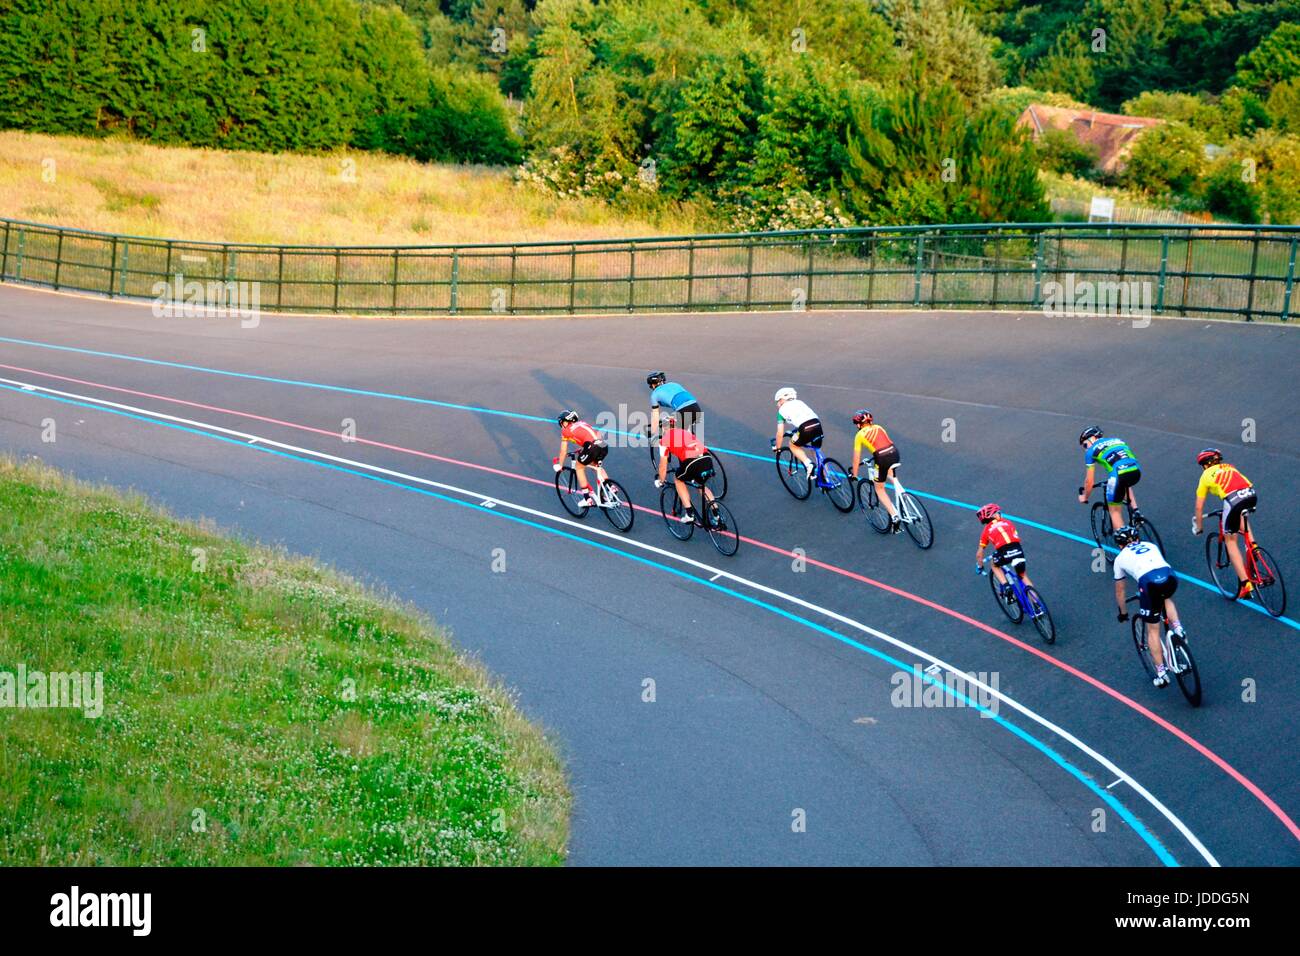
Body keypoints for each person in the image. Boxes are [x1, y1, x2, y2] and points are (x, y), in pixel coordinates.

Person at [1112, 526, 1185, 688]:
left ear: (1120, 546)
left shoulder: (1119, 559)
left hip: (1148, 582)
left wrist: (1123, 612)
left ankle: (1161, 673)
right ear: (1137, 539)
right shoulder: (1151, 546)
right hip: (1169, 576)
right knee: (1166, 598)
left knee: (1153, 630)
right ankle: (1178, 628)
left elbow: (1120, 590)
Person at [1191, 448, 1258, 598]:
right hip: (1251, 494)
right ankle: (1253, 547)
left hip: (1233, 500)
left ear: (1204, 465)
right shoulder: (1230, 466)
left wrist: (1199, 527)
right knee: (1241, 514)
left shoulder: (1205, 476)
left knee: (1230, 541)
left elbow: (1198, 507)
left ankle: (1245, 584)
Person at [1078, 426, 1144, 531]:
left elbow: (1089, 481)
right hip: (1136, 471)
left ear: (1093, 438)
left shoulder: (1091, 451)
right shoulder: (1117, 440)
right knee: (1125, 483)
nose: (1086, 449)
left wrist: (1085, 497)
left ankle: (1126, 543)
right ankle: (1136, 512)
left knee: (1114, 512)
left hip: (1118, 475)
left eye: (1085, 445)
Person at [850, 409, 901, 533]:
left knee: (879, 489)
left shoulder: (859, 435)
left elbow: (856, 459)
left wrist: (855, 475)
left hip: (881, 458)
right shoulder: (879, 427)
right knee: (891, 475)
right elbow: (887, 442)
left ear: (859, 424)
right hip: (894, 452)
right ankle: (900, 492)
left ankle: (895, 516)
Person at [655, 420, 716, 523]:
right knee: (701, 485)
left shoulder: (664, 440)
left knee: (678, 479)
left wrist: (661, 481)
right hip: (707, 458)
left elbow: (663, 467)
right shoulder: (685, 431)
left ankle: (689, 514)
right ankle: (716, 514)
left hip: (692, 462)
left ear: (664, 429)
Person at [974, 503, 1034, 598]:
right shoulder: (1008, 522)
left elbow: (979, 554)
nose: (1000, 514)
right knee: (1023, 576)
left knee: (994, 564)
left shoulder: (986, 530)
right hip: (1018, 549)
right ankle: (1037, 605)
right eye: (998, 513)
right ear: (994, 515)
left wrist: (980, 567)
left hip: (1004, 551)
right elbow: (1014, 536)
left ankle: (1006, 586)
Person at [553, 410, 608, 506]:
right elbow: (588, 437)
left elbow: (563, 451)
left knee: (579, 467)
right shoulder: (582, 423)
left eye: (562, 422)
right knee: (596, 466)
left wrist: (560, 465)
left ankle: (587, 498)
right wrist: (583, 449)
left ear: (566, 421)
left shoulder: (565, 431)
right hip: (603, 445)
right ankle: (610, 488)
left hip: (591, 447)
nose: (561, 424)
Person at [771, 387, 822, 478]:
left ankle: (808, 464)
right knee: (816, 451)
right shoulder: (800, 402)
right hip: (817, 425)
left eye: (778, 401)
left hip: (805, 428)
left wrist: (778, 449)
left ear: (783, 399)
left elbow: (780, 433)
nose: (777, 404)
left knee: (792, 445)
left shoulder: (781, 411)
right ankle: (827, 478)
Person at [646, 371, 703, 436]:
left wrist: (653, 432)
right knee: (686, 432)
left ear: (653, 385)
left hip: (683, 411)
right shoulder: (674, 384)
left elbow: (655, 416)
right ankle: (695, 442)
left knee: (669, 432)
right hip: (696, 407)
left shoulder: (654, 394)